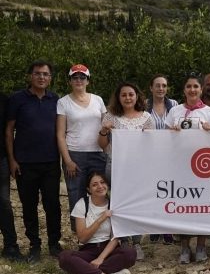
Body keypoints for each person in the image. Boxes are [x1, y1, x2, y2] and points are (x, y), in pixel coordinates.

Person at [5, 60, 63, 263]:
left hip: (50, 162)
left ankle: (55, 245)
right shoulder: (17, 99)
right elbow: (9, 129)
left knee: (53, 205)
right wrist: (12, 160)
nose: (41, 77)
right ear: (30, 76)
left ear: (50, 78)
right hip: (25, 163)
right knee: (29, 207)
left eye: (45, 74)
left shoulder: (56, 99)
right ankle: (34, 246)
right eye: (38, 73)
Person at [165, 74, 210, 264]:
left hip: (202, 167)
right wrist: (171, 132)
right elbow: (164, 140)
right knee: (183, 207)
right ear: (184, 90)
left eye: (196, 86)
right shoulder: (174, 111)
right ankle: (184, 247)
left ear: (201, 89)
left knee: (203, 207)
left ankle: (201, 246)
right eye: (188, 86)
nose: (192, 90)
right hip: (180, 166)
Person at [98, 82, 154, 261]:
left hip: (138, 169)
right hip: (115, 166)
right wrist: (104, 131)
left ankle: (136, 242)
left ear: (137, 96)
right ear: (118, 98)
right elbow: (102, 145)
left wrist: (149, 136)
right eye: (124, 95)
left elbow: (153, 147)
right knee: (117, 204)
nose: (128, 98)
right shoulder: (111, 117)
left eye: (131, 94)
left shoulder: (147, 118)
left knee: (136, 205)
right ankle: (121, 240)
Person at [58, 171, 136, 274]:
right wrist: (101, 218)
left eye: (102, 182)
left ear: (107, 185)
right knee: (64, 257)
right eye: (94, 184)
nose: (100, 186)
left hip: (108, 250)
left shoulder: (113, 205)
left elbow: (116, 237)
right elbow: (83, 238)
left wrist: (101, 258)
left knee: (130, 253)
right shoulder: (82, 204)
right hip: (88, 250)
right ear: (89, 189)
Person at [56, 64, 107, 231]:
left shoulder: (98, 100)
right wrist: (67, 160)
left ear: (88, 81)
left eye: (82, 77)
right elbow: (60, 134)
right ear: (70, 81)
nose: (79, 80)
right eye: (75, 77)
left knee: (100, 194)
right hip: (74, 155)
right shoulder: (63, 102)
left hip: (98, 154)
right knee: (76, 195)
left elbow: (106, 127)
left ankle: (102, 232)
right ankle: (80, 234)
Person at [146, 74, 178, 244]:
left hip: (169, 156)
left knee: (167, 192)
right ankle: (153, 227)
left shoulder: (174, 105)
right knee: (153, 192)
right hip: (150, 156)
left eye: (164, 86)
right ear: (151, 88)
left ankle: (167, 229)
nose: (160, 89)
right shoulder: (144, 105)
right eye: (157, 85)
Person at [0, 91, 24, 262]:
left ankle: (10, 246)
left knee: (4, 203)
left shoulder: (4, 99)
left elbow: (9, 130)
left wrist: (11, 159)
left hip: (0, 158)